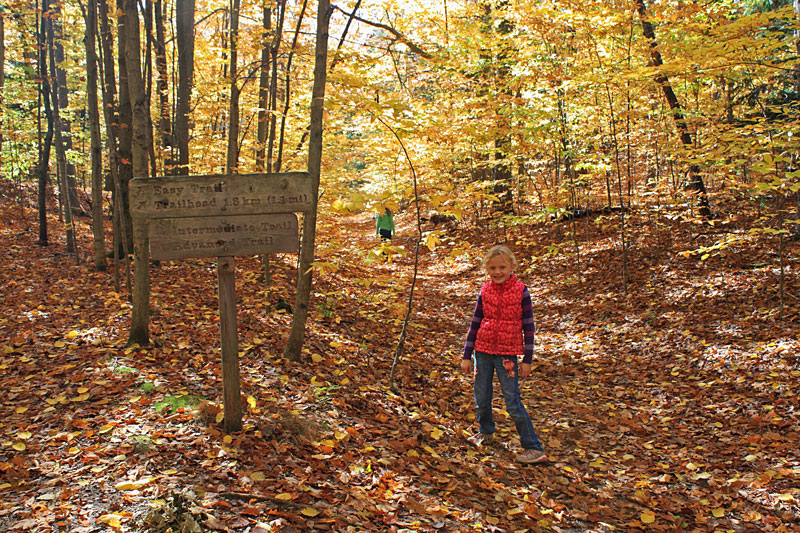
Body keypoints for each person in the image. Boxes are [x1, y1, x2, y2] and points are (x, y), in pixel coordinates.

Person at [461, 245, 548, 464]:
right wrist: (466, 354)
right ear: (486, 269)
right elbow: (475, 323)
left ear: (512, 267)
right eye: (492, 267)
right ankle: (486, 432)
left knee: (512, 401)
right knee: (481, 396)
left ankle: (533, 447)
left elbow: (529, 326)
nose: (497, 272)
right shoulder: (485, 290)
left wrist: (527, 360)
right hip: (482, 351)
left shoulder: (521, 291)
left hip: (507, 354)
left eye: (502, 267)